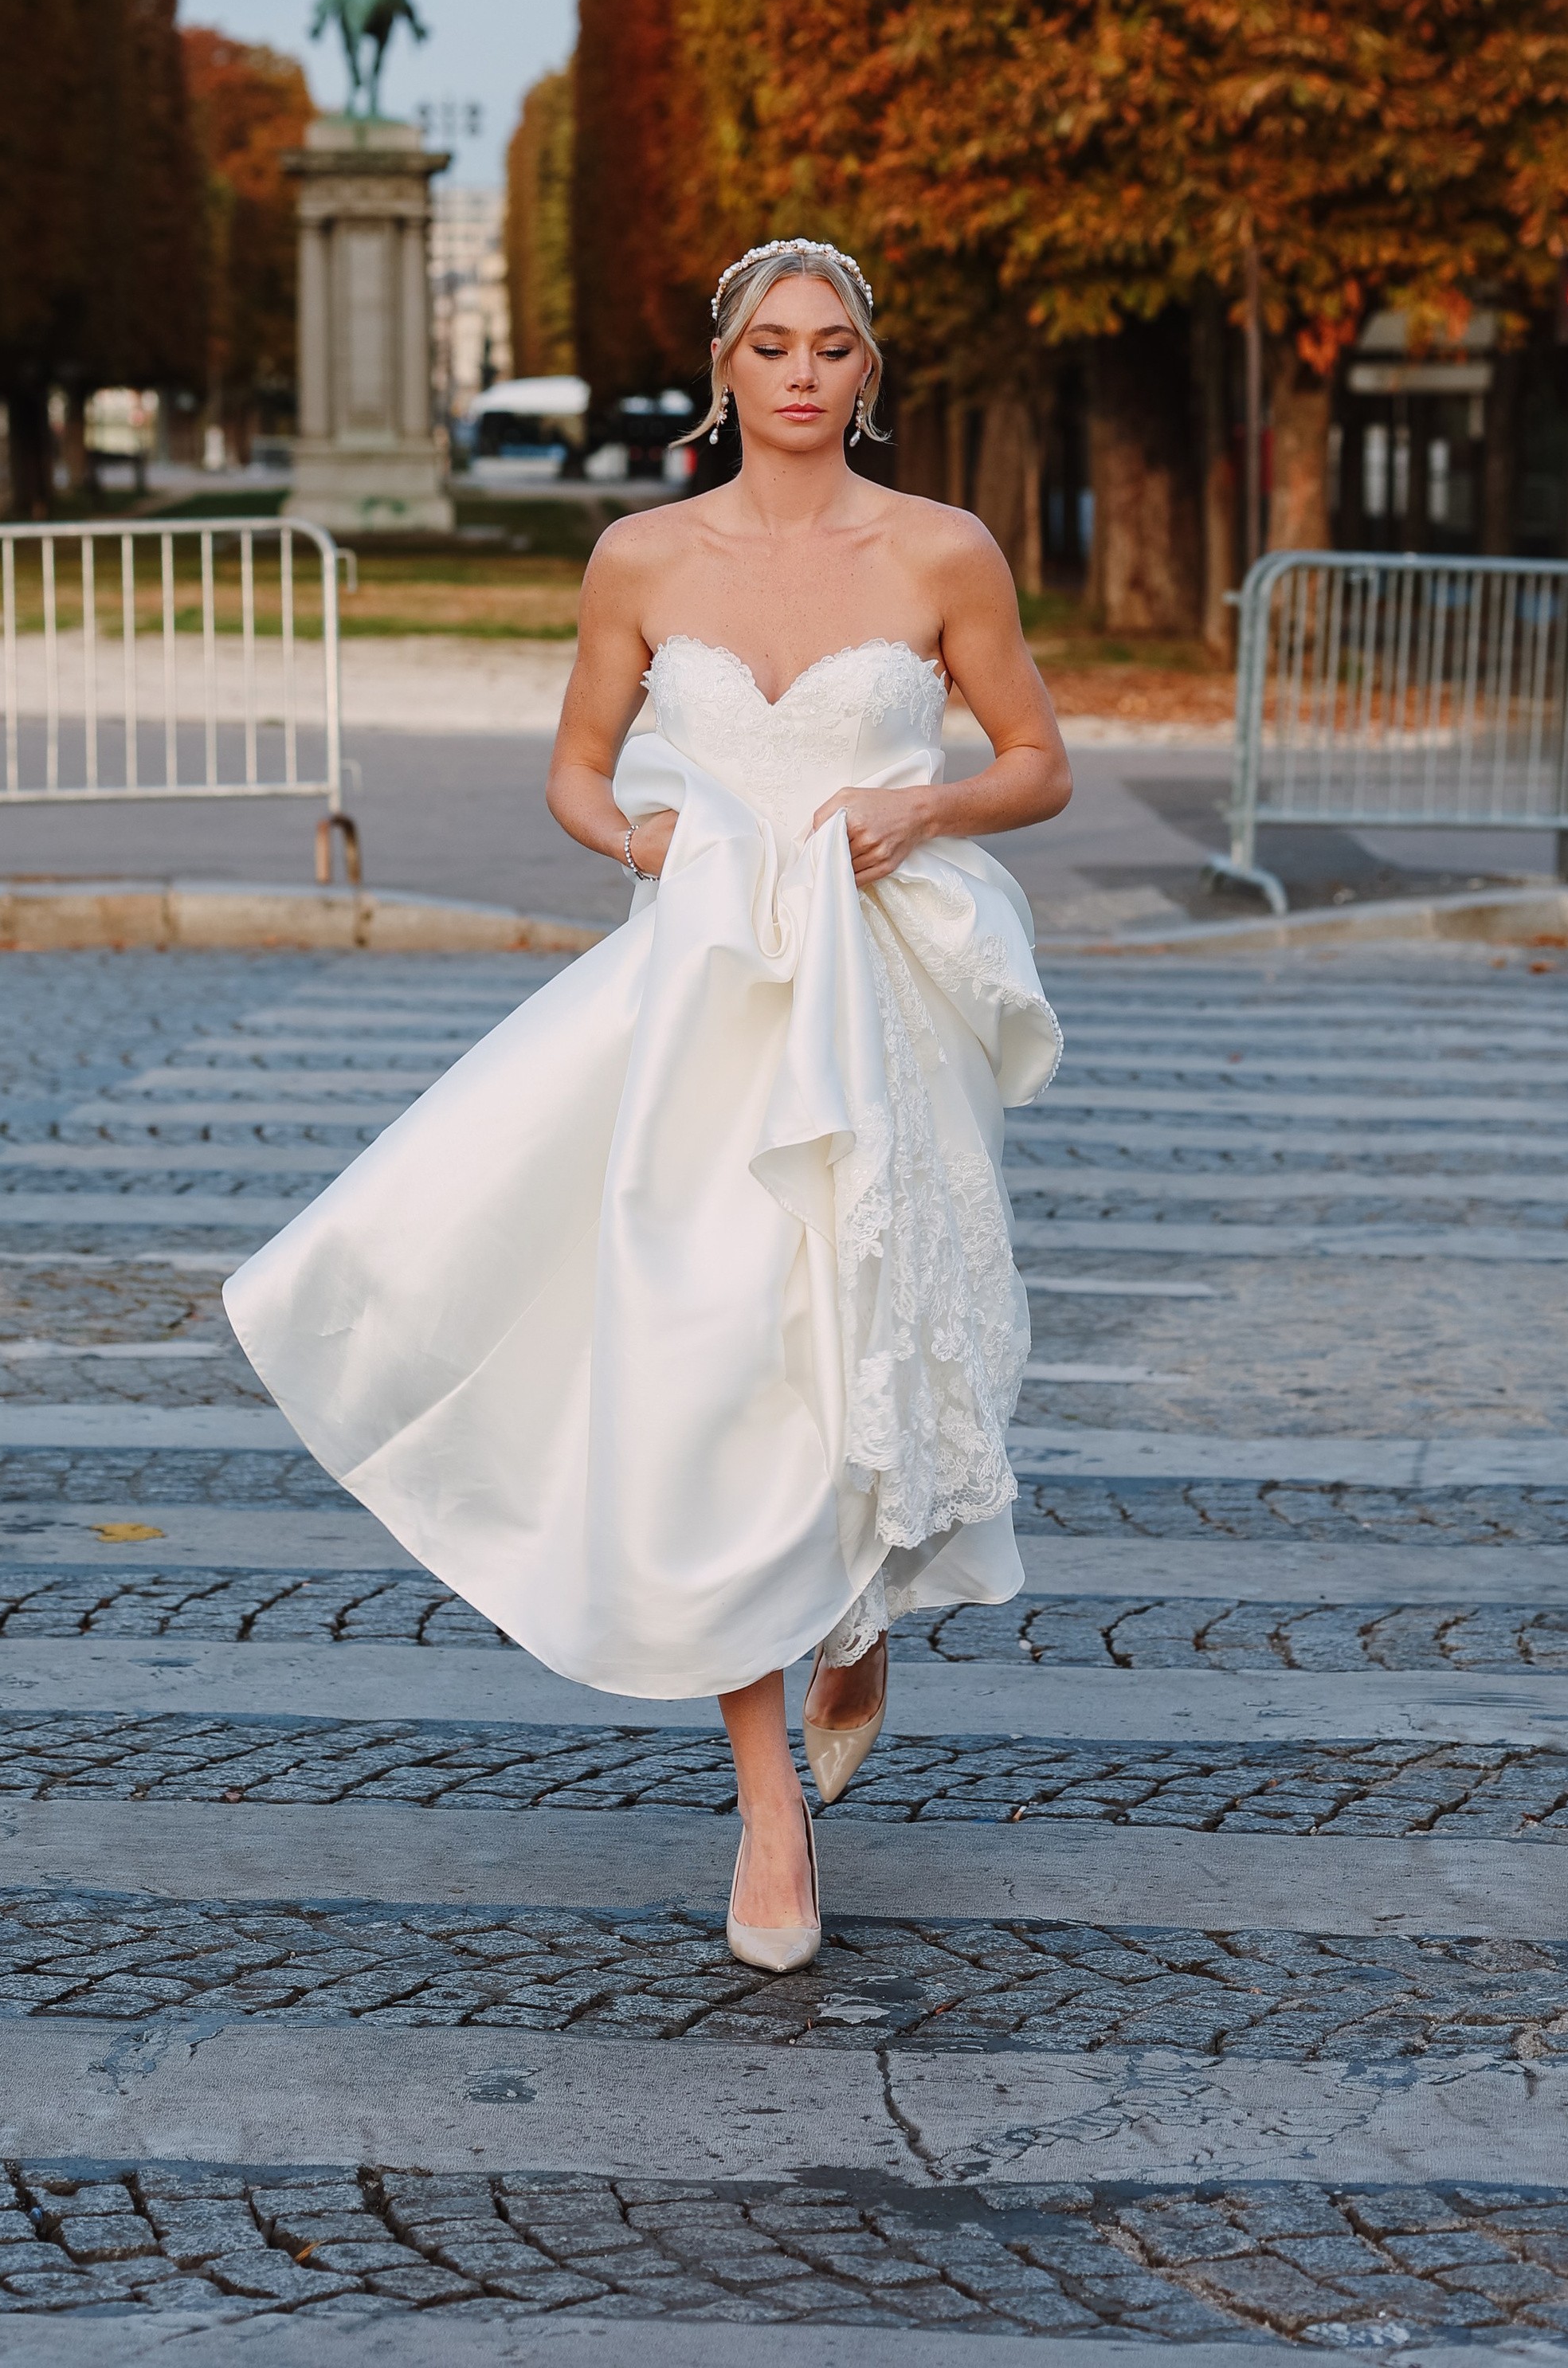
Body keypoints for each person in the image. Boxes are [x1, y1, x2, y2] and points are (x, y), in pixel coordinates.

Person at [225, 238, 1069, 1971]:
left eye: (832, 348)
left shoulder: (938, 550)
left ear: (866, 372)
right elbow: (575, 768)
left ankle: (858, 1617)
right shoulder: (637, 558)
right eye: (771, 347)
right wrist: (640, 839)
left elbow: (1034, 760)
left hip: (879, 1000)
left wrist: (918, 815)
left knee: (875, 1340)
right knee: (702, 1369)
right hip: (695, 999)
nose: (802, 375)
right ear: (723, 371)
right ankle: (766, 1801)